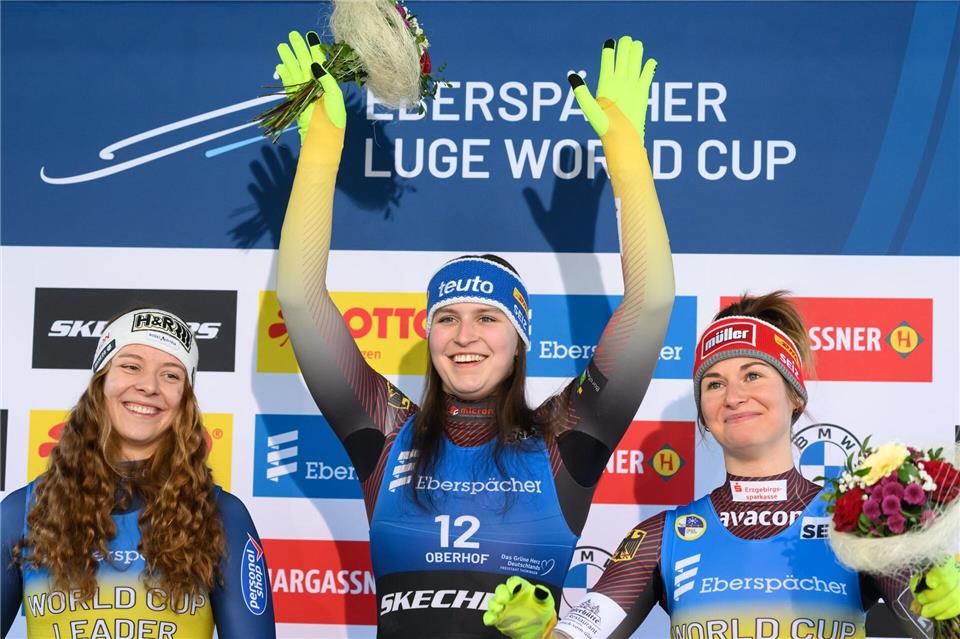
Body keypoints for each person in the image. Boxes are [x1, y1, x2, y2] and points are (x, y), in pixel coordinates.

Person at [274, 32, 674, 637]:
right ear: (428, 334)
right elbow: (302, 301)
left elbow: (650, 307)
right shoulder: (385, 432)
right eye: (446, 317)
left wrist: (625, 157)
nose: (466, 335)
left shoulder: (565, 439)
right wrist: (322, 151)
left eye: (489, 318)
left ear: (518, 342)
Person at [484, 291, 960, 639]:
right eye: (713, 384)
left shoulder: (857, 525)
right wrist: (543, 633)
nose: (733, 396)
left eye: (753, 374)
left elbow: (939, 627)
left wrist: (952, 607)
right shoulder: (662, 536)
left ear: (795, 395)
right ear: (705, 416)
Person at [0, 308, 276, 639]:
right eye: (131, 366)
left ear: (184, 400)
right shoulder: (23, 512)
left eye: (171, 375)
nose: (149, 386)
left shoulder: (221, 515)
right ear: (101, 381)